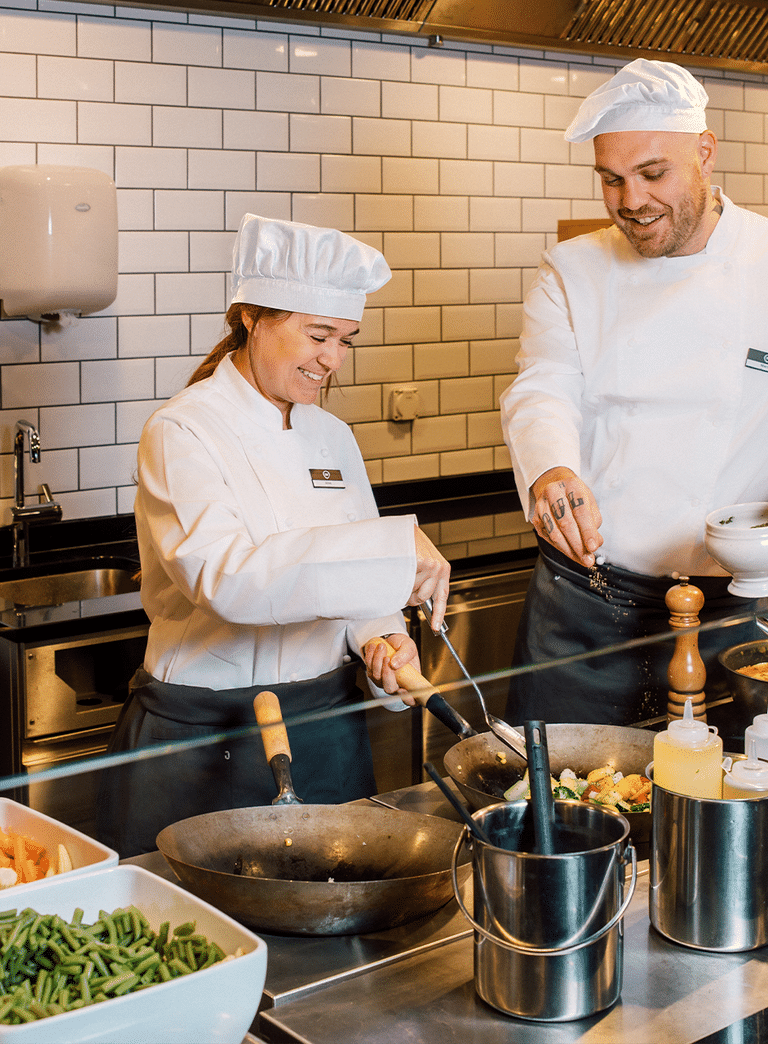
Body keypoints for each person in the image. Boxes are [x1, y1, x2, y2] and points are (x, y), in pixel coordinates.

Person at [97, 214, 450, 855]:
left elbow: (356, 588)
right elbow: (231, 579)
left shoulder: (331, 437)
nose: (332, 360)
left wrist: (383, 639)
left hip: (323, 728)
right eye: (318, 335)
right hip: (206, 731)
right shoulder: (183, 431)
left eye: (346, 340)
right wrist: (395, 549)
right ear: (253, 318)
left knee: (335, 924)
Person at [500, 59, 768, 728]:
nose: (632, 202)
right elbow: (543, 387)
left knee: (726, 807)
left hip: (739, 604)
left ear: (705, 153)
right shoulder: (573, 269)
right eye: (612, 180)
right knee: (558, 797)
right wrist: (552, 469)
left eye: (654, 174)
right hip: (587, 600)